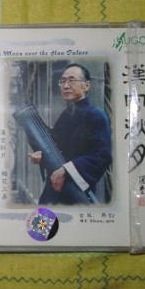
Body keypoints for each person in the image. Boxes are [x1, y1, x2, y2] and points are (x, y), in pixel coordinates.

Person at [28, 64, 111, 204]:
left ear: (86, 85)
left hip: (77, 192)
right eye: (63, 81)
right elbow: (57, 148)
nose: (66, 86)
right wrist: (41, 154)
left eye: (71, 80)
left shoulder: (97, 115)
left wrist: (67, 170)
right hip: (54, 187)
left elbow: (102, 156)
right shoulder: (66, 115)